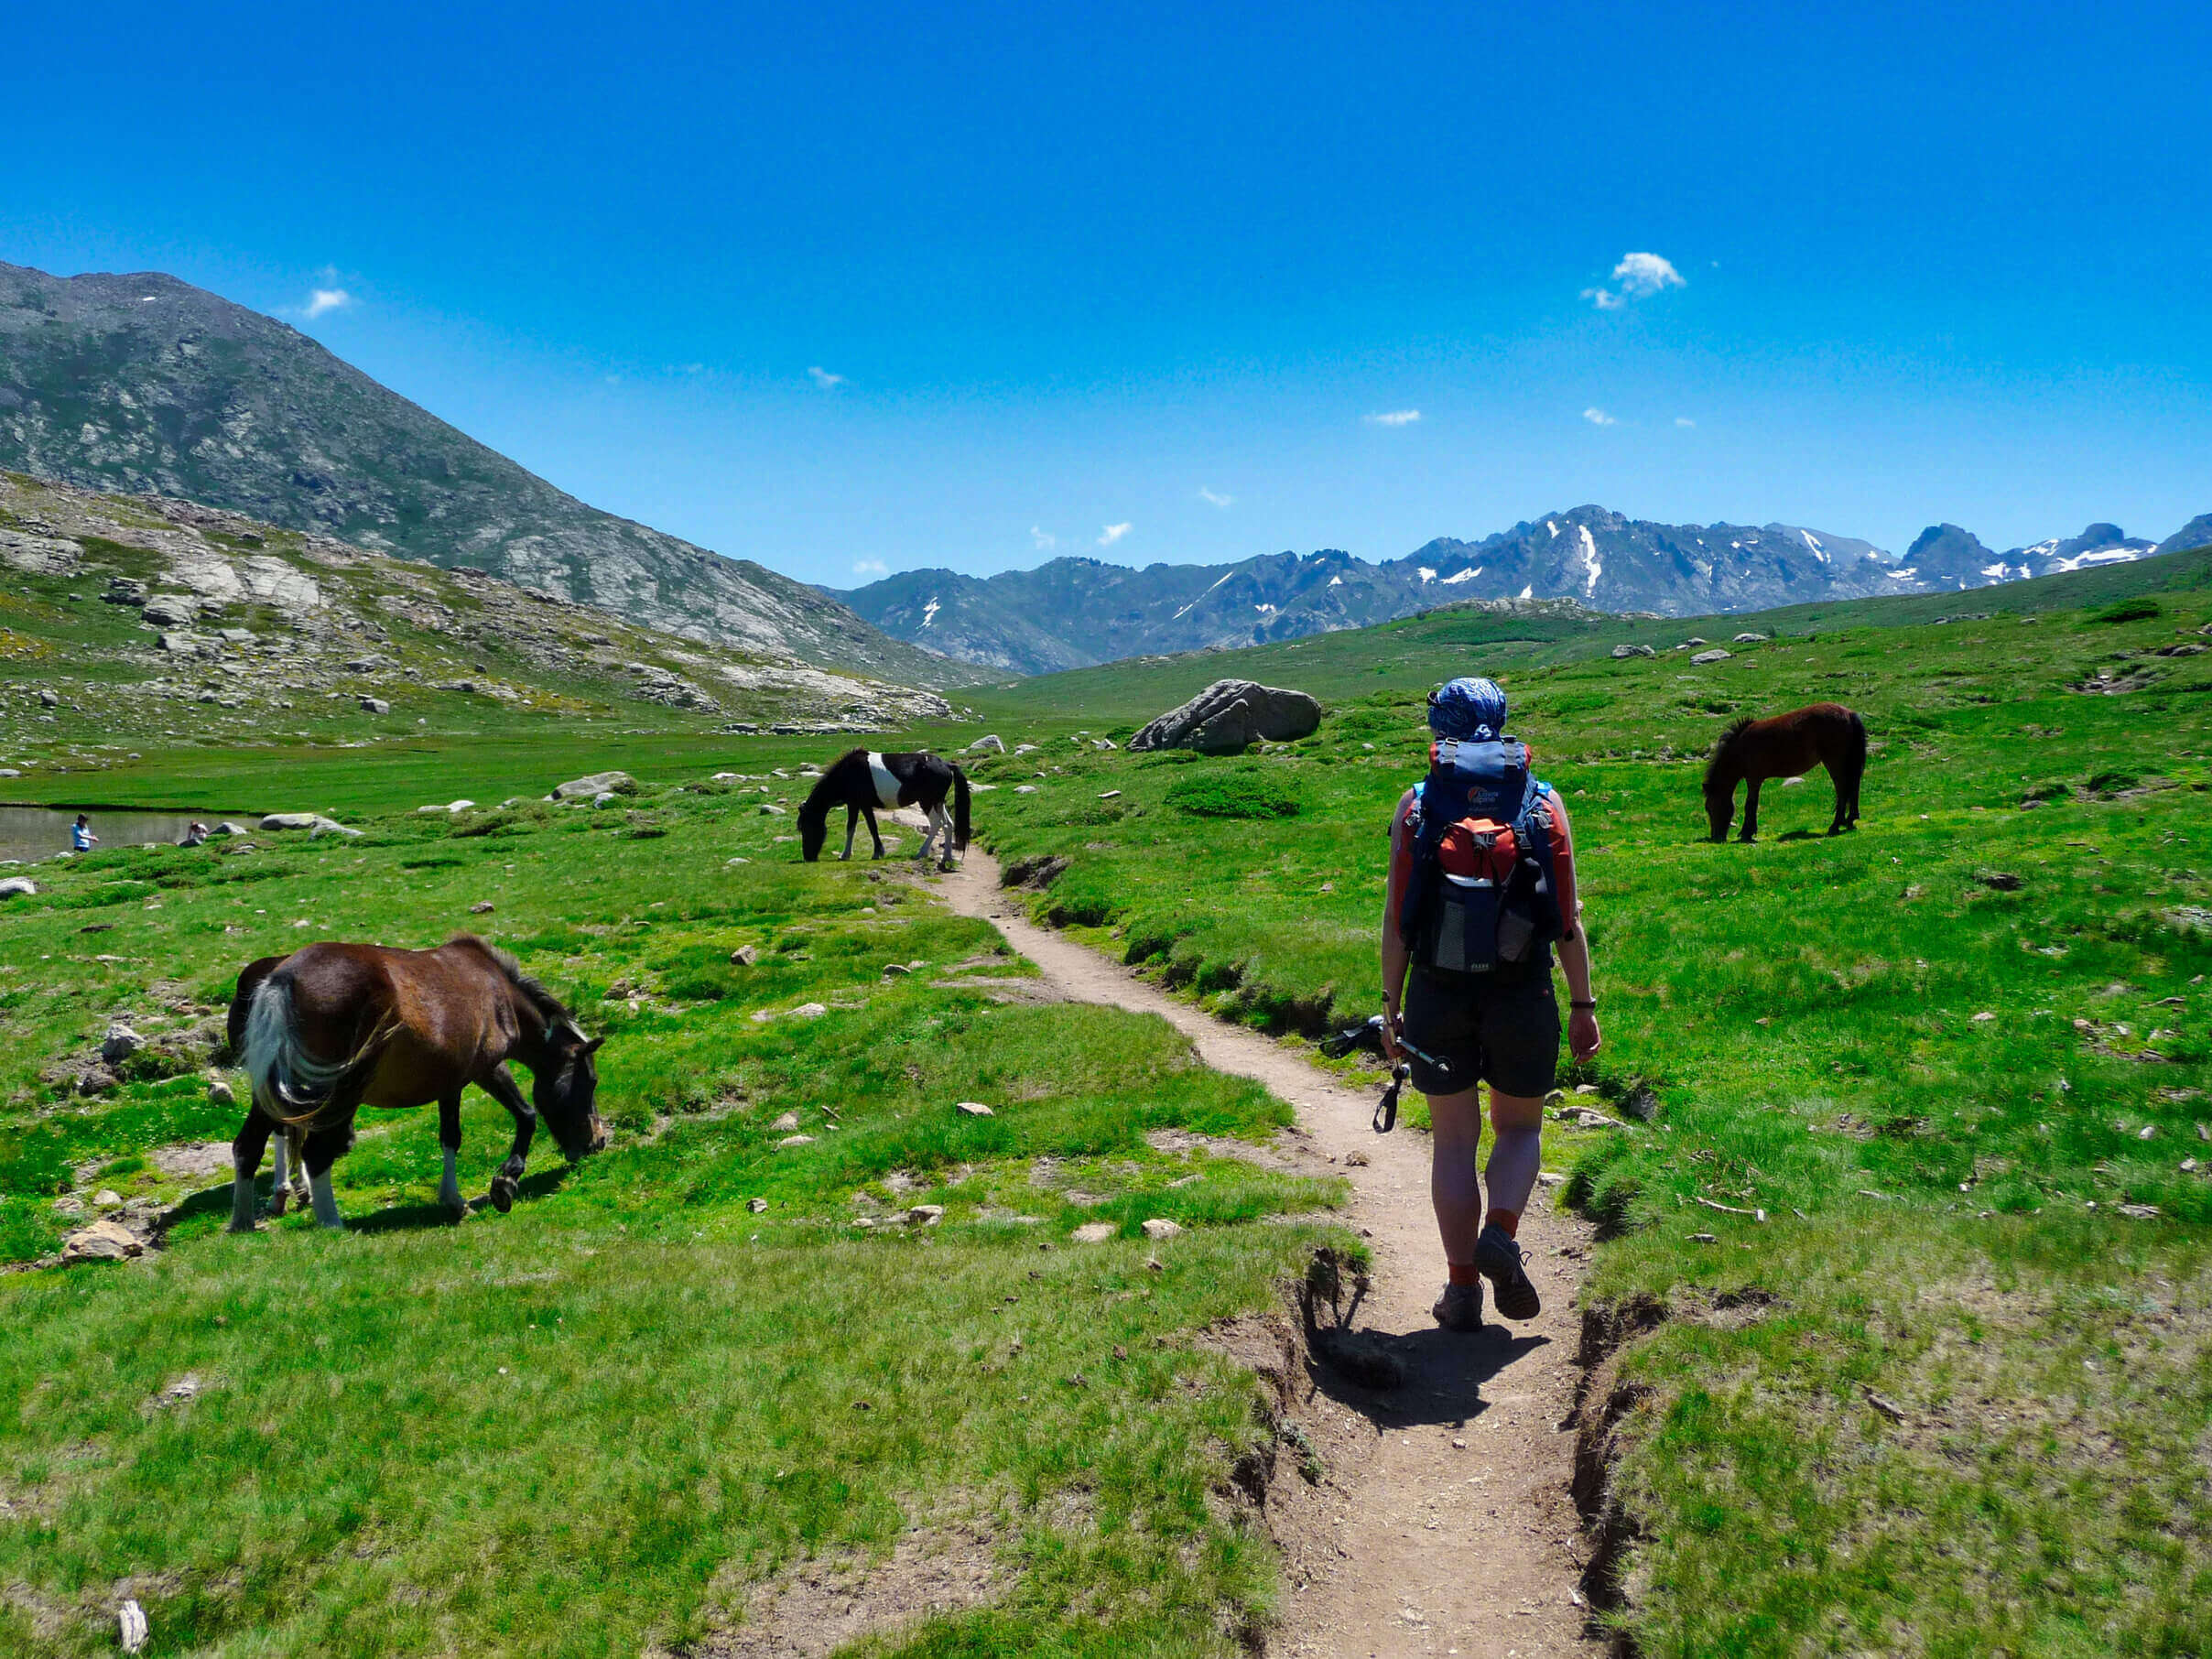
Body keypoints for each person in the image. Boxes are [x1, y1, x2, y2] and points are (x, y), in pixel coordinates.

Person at [1381, 677, 1600, 1331]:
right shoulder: (1543, 801)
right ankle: (1501, 1230)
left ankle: (1461, 1291)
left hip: (1437, 993)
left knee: (1453, 1142)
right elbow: (1566, 918)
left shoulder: (1418, 804)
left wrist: (1391, 1004)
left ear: (1438, 728)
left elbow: (1398, 919)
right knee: (1521, 1129)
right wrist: (1583, 1003)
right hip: (1523, 991)